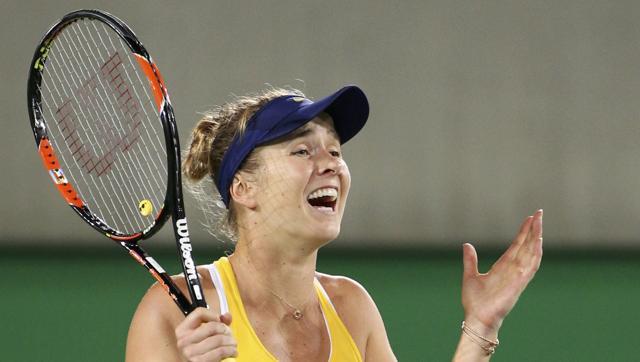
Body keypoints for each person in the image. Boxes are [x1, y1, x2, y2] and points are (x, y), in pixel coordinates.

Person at [125, 85, 543, 362]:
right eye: (303, 152)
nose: (330, 165)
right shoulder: (172, 310)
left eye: (335, 152)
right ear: (243, 188)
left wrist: (480, 328)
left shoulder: (350, 306)